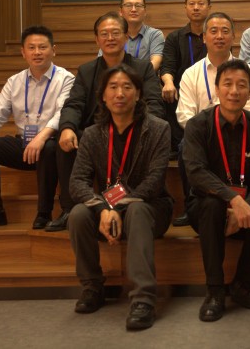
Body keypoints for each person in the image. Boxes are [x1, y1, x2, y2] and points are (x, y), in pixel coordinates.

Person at [68, 64, 173, 330]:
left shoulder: (158, 128)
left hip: (150, 209)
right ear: (103, 96)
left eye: (127, 87)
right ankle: (92, 287)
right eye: (113, 87)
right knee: (78, 214)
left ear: (138, 94)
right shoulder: (92, 134)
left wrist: (118, 207)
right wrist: (104, 209)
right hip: (107, 209)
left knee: (137, 210)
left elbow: (154, 182)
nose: (120, 93)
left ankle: (143, 300)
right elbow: (77, 181)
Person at [183, 59, 250, 322]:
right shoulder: (198, 125)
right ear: (216, 89)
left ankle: (243, 285)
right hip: (206, 207)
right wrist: (234, 200)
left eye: (241, 85)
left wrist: (245, 206)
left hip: (246, 207)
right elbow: (196, 173)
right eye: (227, 84)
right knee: (212, 206)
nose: (234, 91)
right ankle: (215, 291)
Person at [55, 12, 165, 231]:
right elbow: (74, 104)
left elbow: (154, 103)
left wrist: (140, 126)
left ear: (125, 37)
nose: (110, 38)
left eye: (115, 33)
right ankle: (69, 208)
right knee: (65, 141)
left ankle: (130, 202)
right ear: (97, 39)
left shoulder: (142, 68)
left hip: (133, 130)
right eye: (104, 34)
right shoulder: (87, 71)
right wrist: (67, 128)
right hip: (97, 135)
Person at [0, 26, 75, 230]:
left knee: (49, 146)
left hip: (50, 145)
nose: (37, 52)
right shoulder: (15, 81)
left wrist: (41, 137)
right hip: (24, 146)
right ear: (23, 52)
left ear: (53, 50)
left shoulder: (66, 79)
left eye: (42, 47)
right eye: (31, 48)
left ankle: (44, 213)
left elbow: (63, 114)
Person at [173, 11, 250, 227]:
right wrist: (207, 132)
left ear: (233, 36)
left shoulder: (248, 71)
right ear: (204, 37)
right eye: (213, 31)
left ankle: (249, 201)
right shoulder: (191, 73)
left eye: (225, 31)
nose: (219, 36)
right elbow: (184, 115)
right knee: (185, 146)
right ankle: (192, 204)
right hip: (203, 138)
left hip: (239, 133)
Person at [160, 0, 211, 155]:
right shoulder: (175, 37)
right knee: (167, 94)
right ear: (185, 7)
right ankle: (177, 145)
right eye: (192, 4)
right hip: (181, 91)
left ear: (209, 7)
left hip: (210, 88)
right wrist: (168, 82)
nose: (196, 7)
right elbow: (167, 66)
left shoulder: (215, 36)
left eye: (201, 4)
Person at [102, 0, 164, 71]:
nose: (133, 9)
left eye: (138, 5)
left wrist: (133, 76)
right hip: (116, 77)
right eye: (128, 5)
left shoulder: (155, 34)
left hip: (146, 78)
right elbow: (103, 62)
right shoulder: (112, 35)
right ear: (120, 11)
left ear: (145, 11)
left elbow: (156, 63)